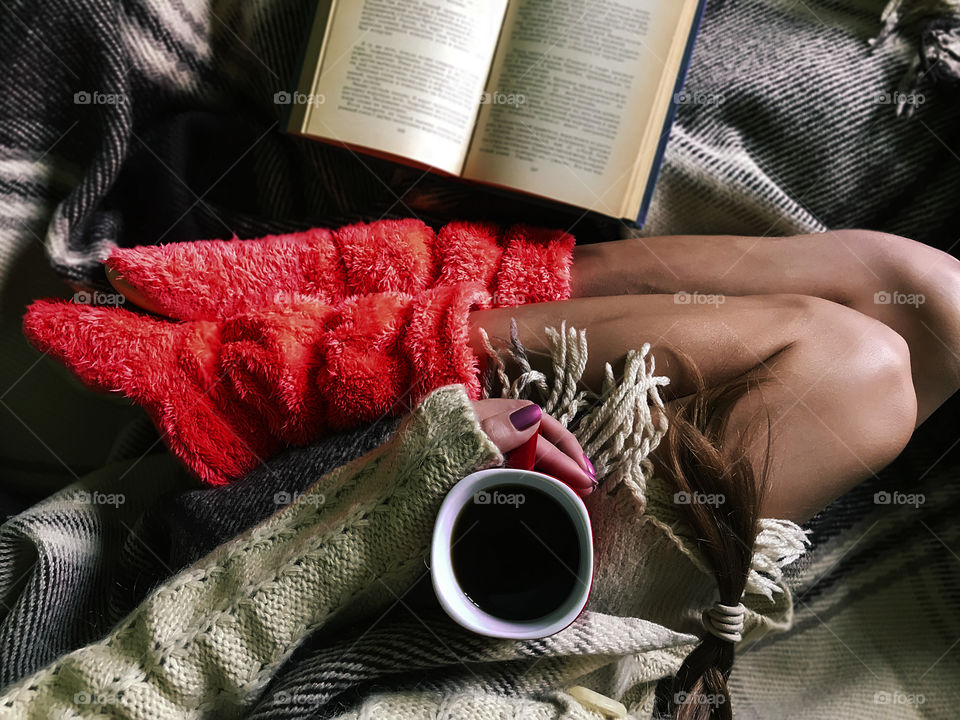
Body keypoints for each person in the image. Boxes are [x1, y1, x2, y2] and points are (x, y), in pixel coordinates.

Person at [89, 226, 960, 719]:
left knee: (862, 373)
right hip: (536, 545)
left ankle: (358, 353)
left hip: (436, 614)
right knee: (927, 302)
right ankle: (442, 303)